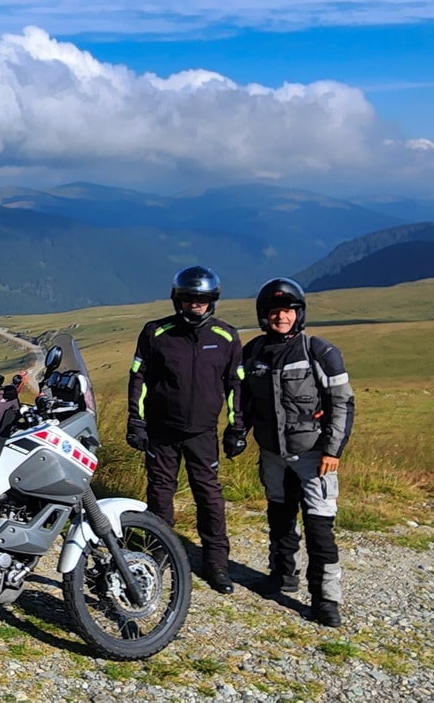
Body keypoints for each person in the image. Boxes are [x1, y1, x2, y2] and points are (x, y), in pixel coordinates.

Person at [228, 277, 354, 628]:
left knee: (319, 530)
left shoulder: (320, 351)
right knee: (280, 520)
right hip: (271, 454)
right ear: (263, 316)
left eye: (288, 311)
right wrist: (238, 432)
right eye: (274, 312)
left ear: (299, 314)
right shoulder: (252, 353)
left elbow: (342, 402)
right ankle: (282, 576)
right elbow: (244, 401)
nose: (281, 317)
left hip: (315, 456)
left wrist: (333, 449)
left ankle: (327, 599)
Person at [126, 266, 244, 594]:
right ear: (178, 300)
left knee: (210, 496)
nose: (195, 305)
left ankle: (216, 563)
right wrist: (136, 421)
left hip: (203, 434)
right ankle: (160, 553)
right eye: (189, 299)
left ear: (212, 301)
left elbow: (236, 384)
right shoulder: (155, 333)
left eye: (202, 300)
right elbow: (139, 379)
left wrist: (237, 427)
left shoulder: (226, 336)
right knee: (160, 494)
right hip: (162, 431)